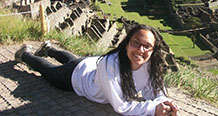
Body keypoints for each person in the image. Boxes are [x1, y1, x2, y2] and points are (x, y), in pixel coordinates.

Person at [14, 24, 179, 116]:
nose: (141, 50)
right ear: (127, 43)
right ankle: (24, 55)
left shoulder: (150, 66)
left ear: (153, 50)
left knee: (74, 60)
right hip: (76, 78)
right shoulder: (111, 65)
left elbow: (155, 92)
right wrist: (153, 109)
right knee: (48, 70)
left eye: (147, 46)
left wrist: (165, 104)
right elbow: (121, 107)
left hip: (90, 65)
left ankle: (49, 49)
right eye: (136, 43)